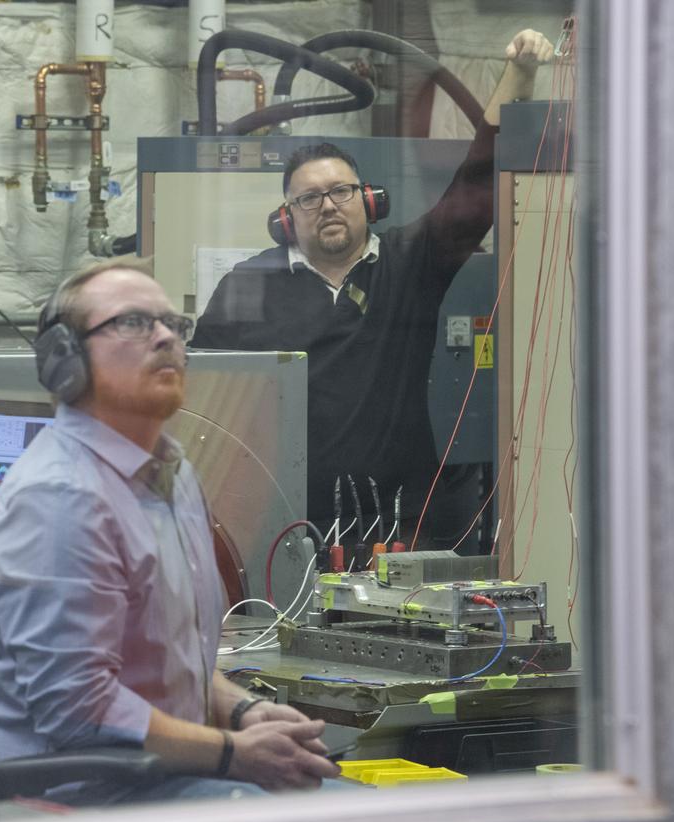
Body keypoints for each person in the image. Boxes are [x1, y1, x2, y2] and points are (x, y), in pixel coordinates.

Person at [0, 259, 340, 804]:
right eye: (134, 323)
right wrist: (236, 752)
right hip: (80, 795)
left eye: (172, 324)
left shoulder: (173, 474)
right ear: (66, 359)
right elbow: (77, 712)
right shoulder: (61, 497)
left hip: (162, 772)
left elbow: (168, 666)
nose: (165, 337)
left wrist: (244, 710)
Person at [191, 29, 556, 549]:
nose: (328, 205)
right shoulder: (247, 285)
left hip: (403, 522)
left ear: (369, 201)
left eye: (340, 191)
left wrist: (520, 74)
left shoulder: (411, 263)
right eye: (309, 199)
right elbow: (203, 399)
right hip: (288, 522)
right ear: (286, 219)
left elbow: (478, 180)